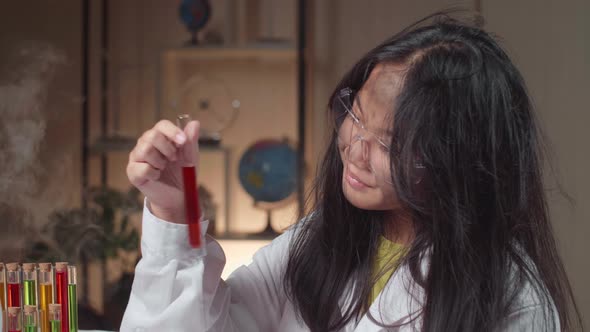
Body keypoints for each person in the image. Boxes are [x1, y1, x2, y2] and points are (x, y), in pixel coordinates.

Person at [120, 14, 582, 332]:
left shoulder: (512, 298)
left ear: (462, 161)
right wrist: (176, 211)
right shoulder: (318, 241)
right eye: (356, 115)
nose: (356, 151)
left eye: (391, 143)